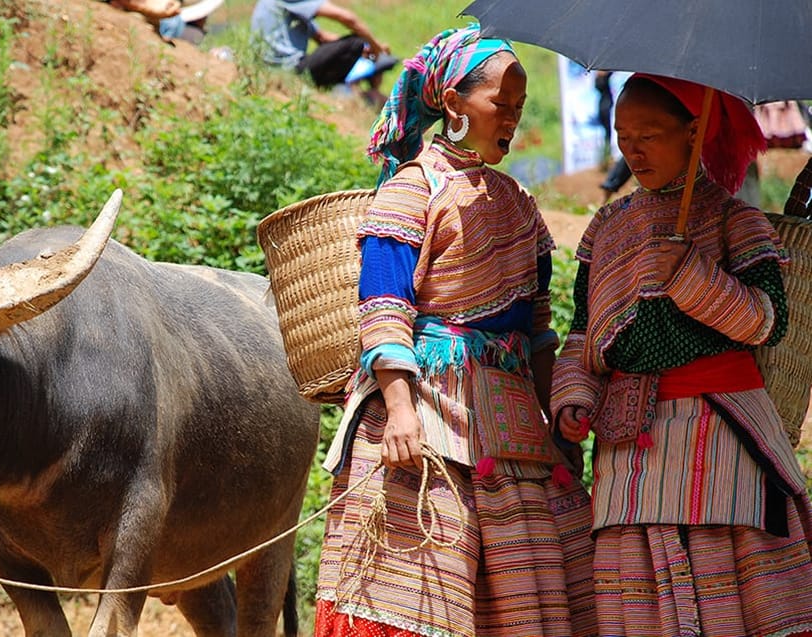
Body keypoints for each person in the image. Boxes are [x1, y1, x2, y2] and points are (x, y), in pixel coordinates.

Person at [315, 24, 597, 637]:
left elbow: (539, 329)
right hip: (427, 413)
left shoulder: (520, 202)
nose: (513, 119)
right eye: (501, 103)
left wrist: (559, 426)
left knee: (529, 596)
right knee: (414, 595)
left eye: (520, 108)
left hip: (515, 425)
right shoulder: (411, 190)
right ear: (451, 102)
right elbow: (383, 307)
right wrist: (399, 411)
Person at [552, 73, 812, 636]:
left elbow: (768, 322)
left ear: (693, 132)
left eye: (649, 133)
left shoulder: (733, 219)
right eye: (622, 136)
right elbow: (580, 332)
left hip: (719, 437)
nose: (633, 150)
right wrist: (575, 397)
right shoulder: (607, 228)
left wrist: (691, 277)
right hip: (630, 452)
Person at [250, 0, 397, 107]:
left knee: (359, 46)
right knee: (356, 42)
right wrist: (375, 46)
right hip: (288, 68)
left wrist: (368, 49)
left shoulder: (292, 8)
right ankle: (354, 92)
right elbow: (348, 18)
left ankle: (351, 91)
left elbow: (322, 37)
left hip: (275, 67)